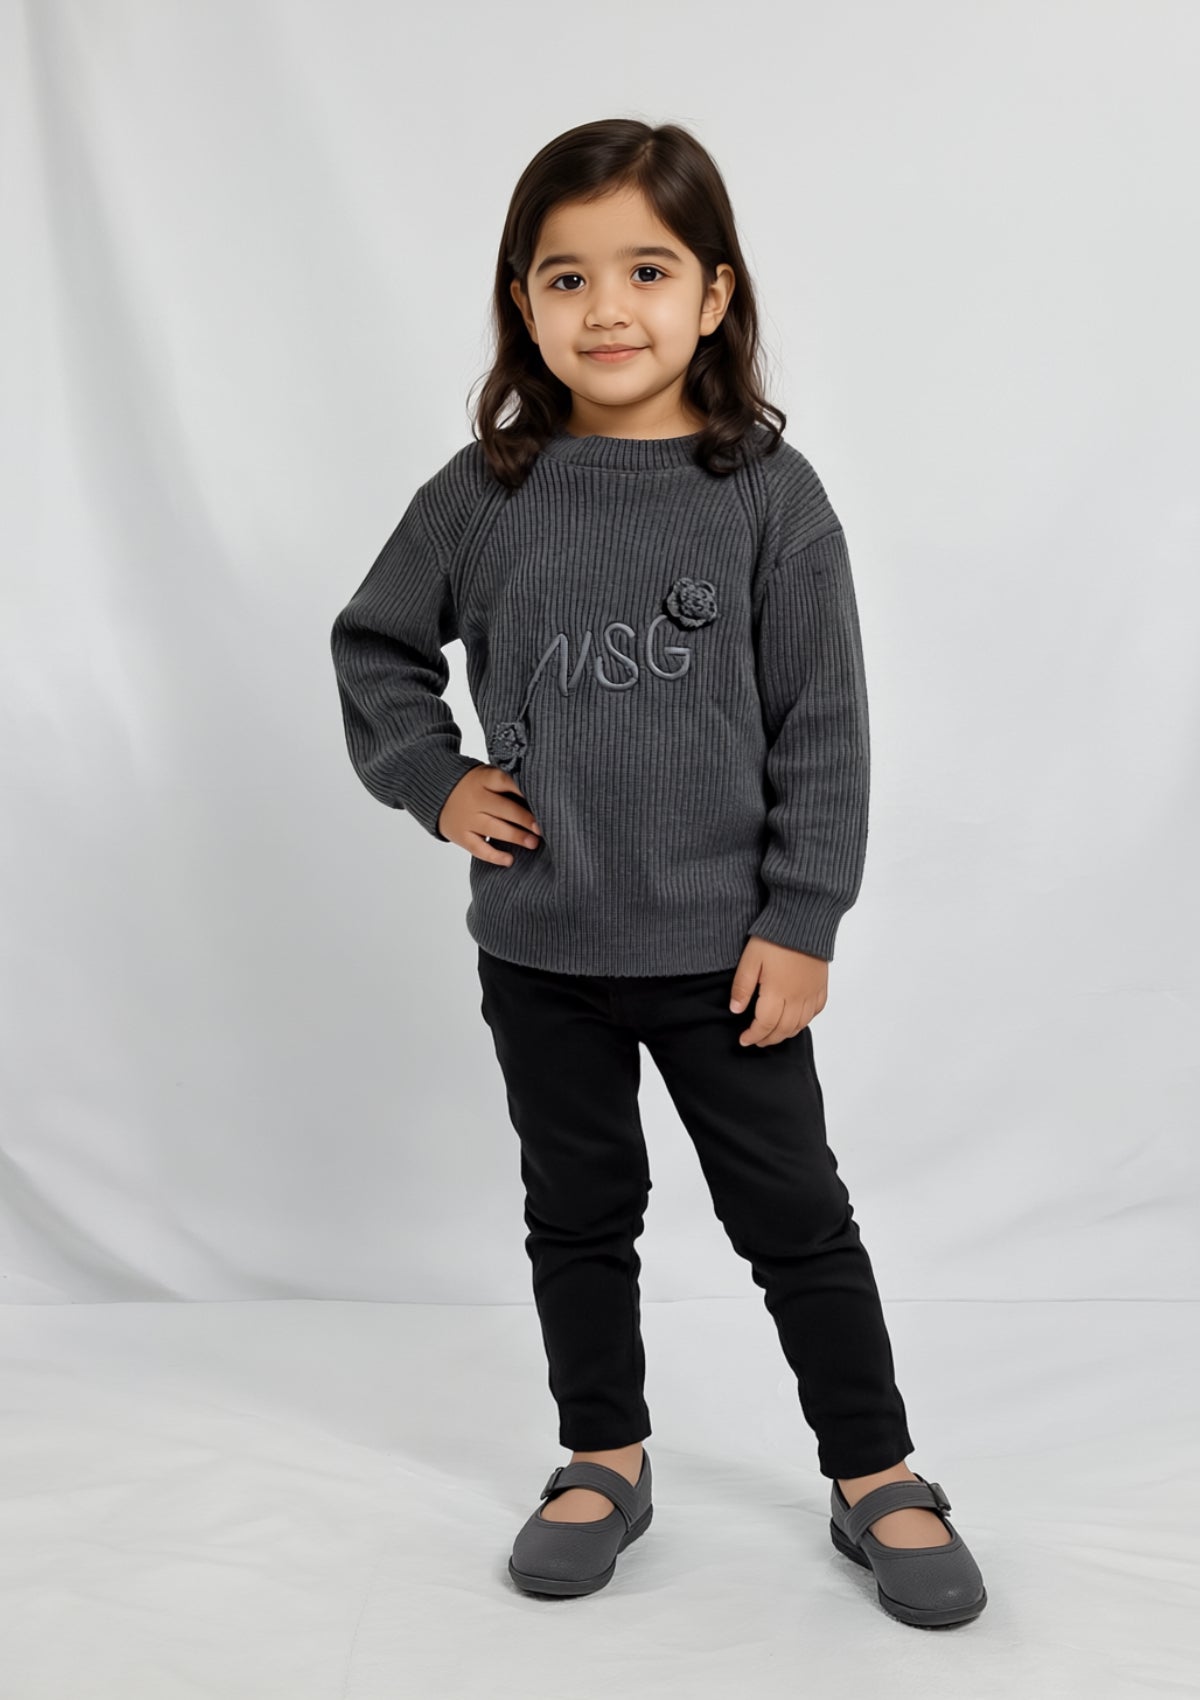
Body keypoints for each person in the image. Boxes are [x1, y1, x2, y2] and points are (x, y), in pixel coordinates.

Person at [329, 118, 986, 1626]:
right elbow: (375, 644)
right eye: (567, 277)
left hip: (728, 958)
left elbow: (826, 725)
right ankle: (602, 1458)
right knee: (578, 1212)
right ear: (523, 300)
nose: (607, 308)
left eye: (646, 270)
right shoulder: (485, 491)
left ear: (713, 293)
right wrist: (436, 780)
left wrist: (804, 918)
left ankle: (877, 1472)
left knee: (795, 1219)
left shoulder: (766, 492)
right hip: (543, 949)